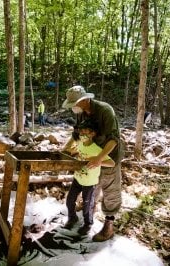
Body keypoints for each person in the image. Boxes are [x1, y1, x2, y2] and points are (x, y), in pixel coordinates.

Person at [62, 85, 123, 242]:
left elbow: (114, 139)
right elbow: (77, 133)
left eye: (75, 104)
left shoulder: (104, 111)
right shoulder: (81, 113)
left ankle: (109, 226)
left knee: (110, 190)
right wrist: (66, 148)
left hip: (108, 154)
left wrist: (100, 158)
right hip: (90, 154)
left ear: (85, 99)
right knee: (90, 186)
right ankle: (89, 213)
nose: (74, 108)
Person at [64, 119, 115, 235]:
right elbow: (74, 152)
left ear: (93, 134)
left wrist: (97, 160)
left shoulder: (97, 150)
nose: (82, 135)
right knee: (70, 200)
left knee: (87, 204)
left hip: (90, 182)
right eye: (81, 132)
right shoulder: (80, 144)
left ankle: (88, 223)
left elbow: (111, 163)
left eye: (85, 133)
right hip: (77, 178)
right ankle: (72, 218)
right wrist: (73, 153)